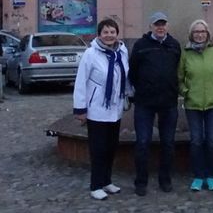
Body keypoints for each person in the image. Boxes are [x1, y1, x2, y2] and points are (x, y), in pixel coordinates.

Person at [72, 18, 131, 200]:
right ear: (99, 35)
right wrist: (80, 109)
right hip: (96, 109)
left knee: (111, 147)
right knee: (98, 149)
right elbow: (81, 82)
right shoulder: (90, 54)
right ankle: (96, 185)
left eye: (112, 32)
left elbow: (125, 77)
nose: (109, 35)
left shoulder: (121, 52)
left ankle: (106, 181)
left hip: (115, 109)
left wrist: (129, 95)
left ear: (117, 34)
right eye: (105, 32)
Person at [128, 11, 182, 196]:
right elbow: (133, 71)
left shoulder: (174, 45)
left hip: (168, 101)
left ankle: (165, 180)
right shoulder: (141, 45)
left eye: (163, 24)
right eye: (157, 24)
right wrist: (142, 88)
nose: (160, 27)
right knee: (143, 142)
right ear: (150, 26)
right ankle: (141, 181)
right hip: (145, 102)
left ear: (167, 26)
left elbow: (177, 69)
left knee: (168, 143)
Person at [177, 19, 213, 192]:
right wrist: (186, 92)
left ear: (207, 34)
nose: (199, 35)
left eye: (202, 32)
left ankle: (211, 175)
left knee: (212, 141)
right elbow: (179, 78)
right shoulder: (186, 54)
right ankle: (198, 176)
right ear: (191, 35)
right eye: (196, 32)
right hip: (193, 105)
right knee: (196, 141)